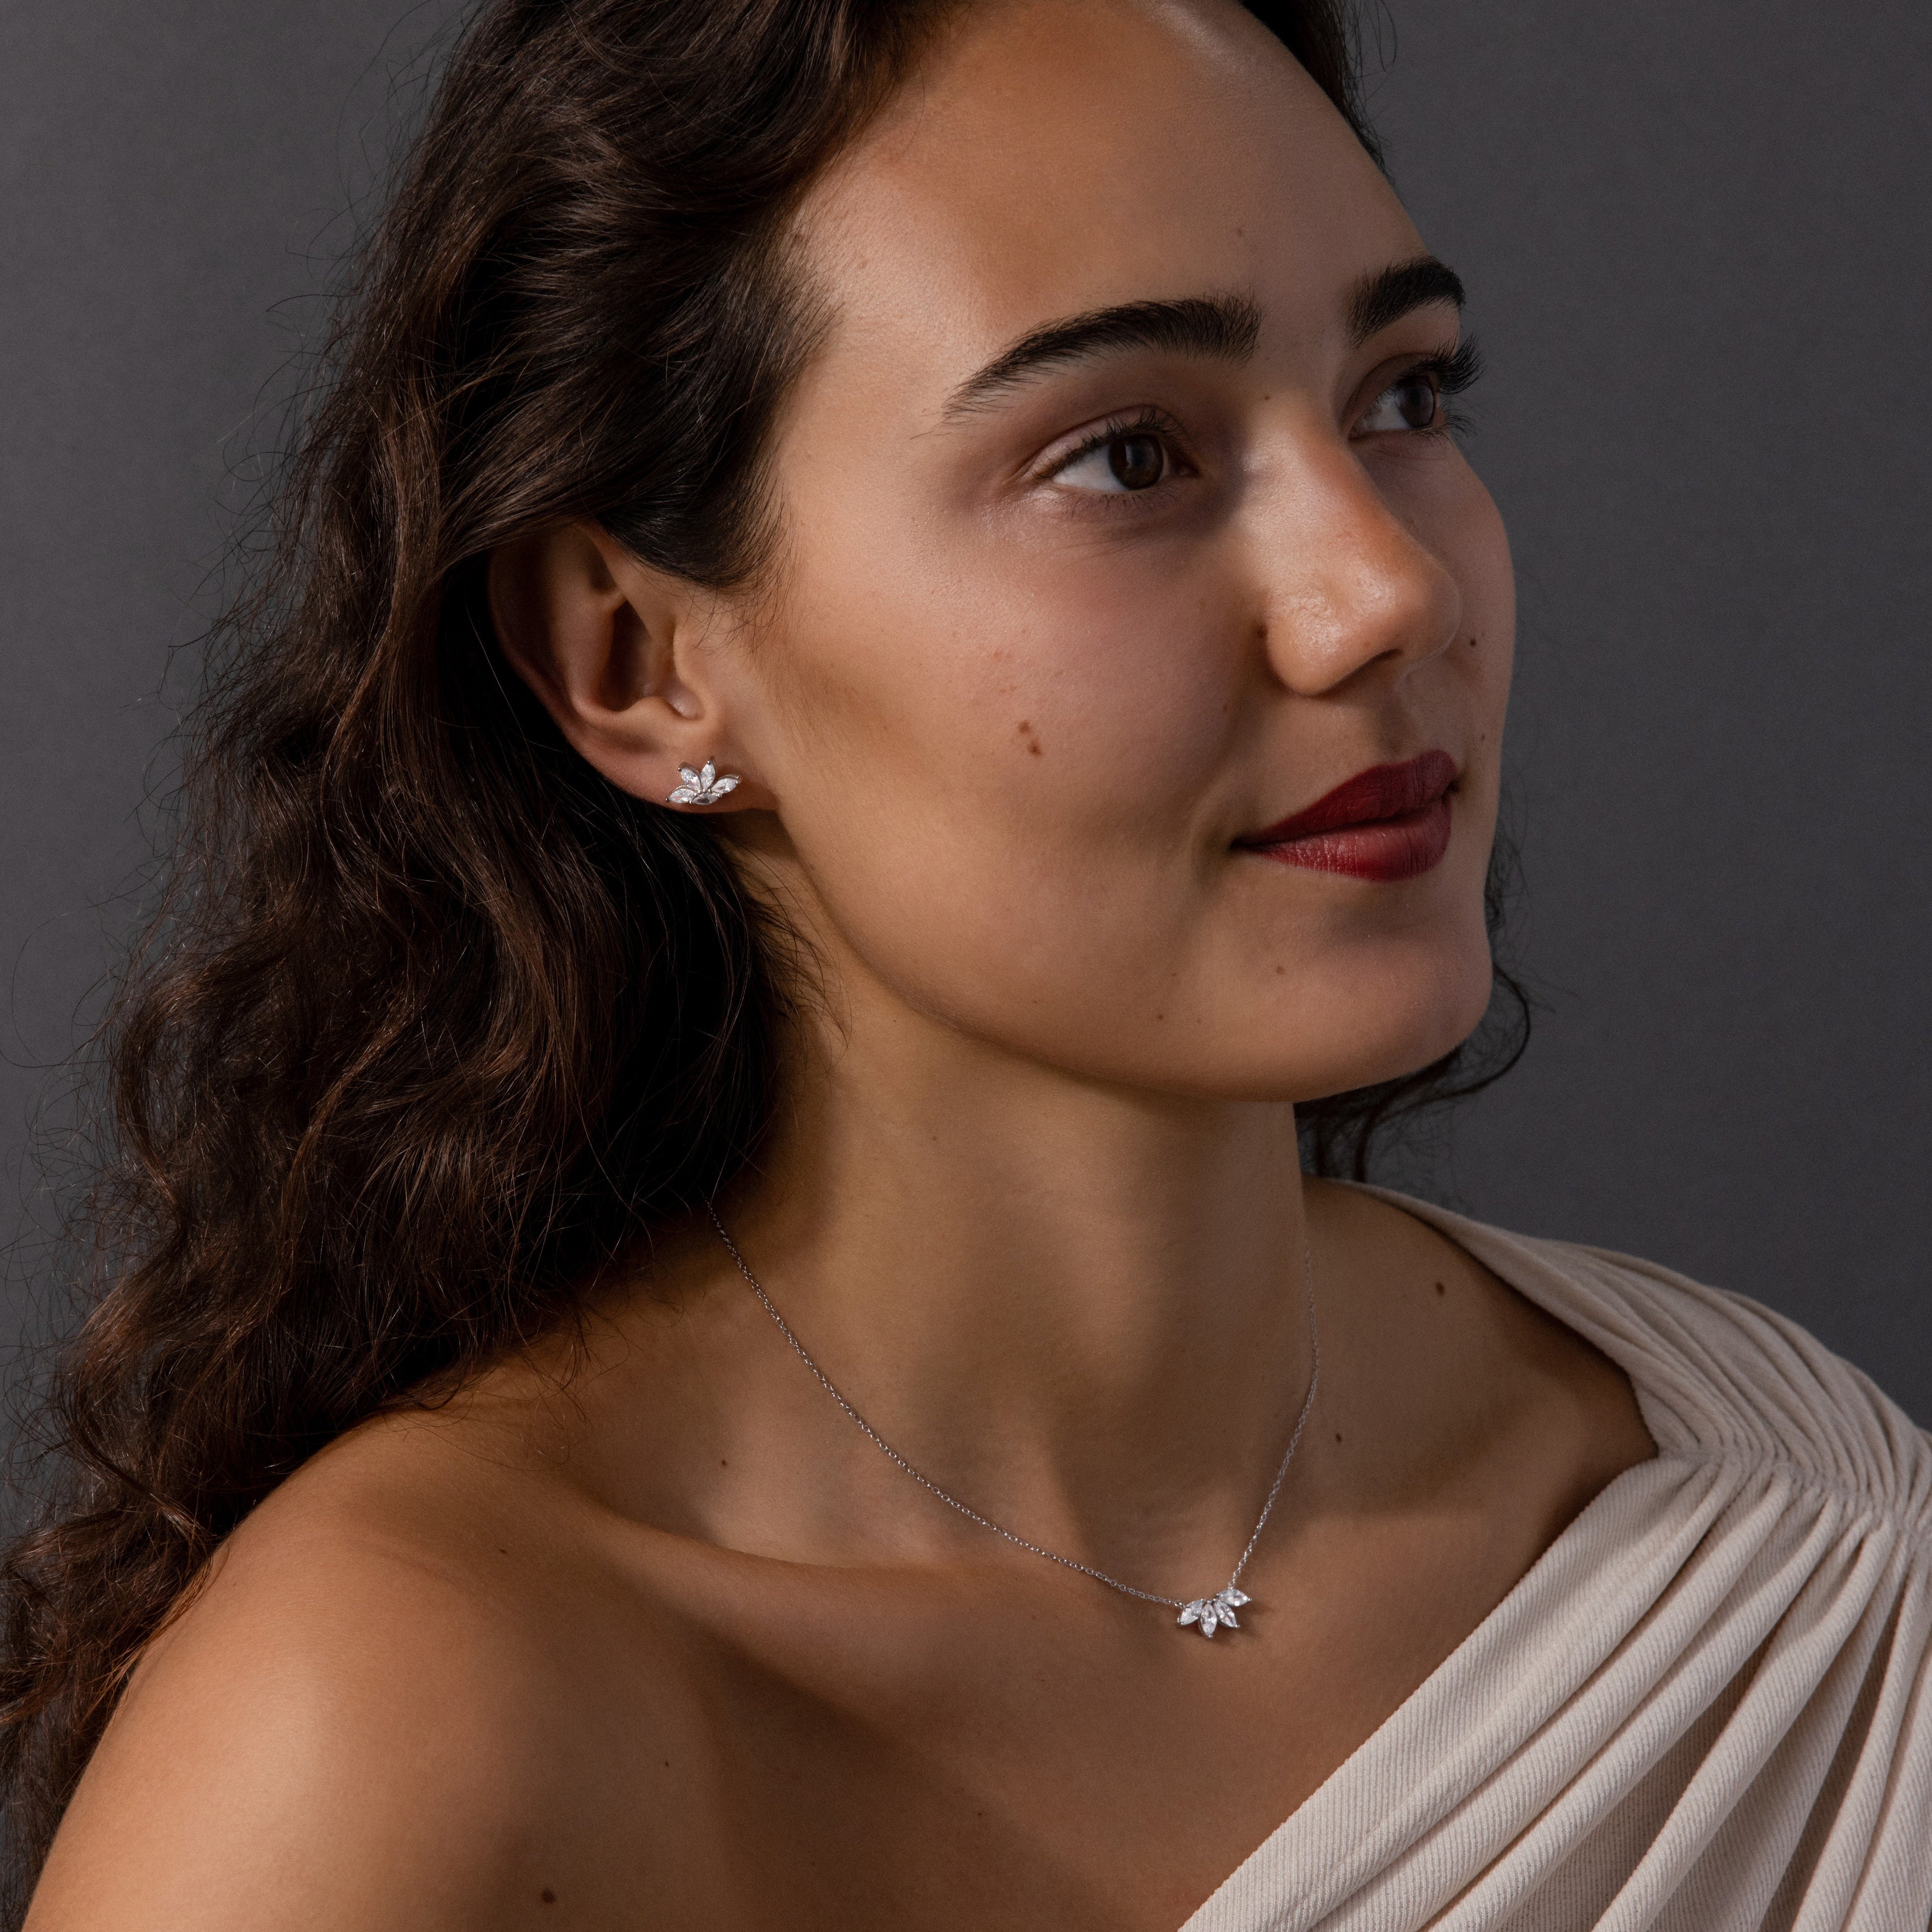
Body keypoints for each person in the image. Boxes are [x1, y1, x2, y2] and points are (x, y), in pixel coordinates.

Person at [6, 0, 1928, 1924]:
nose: (1388, 592)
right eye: (1121, 454)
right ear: (637, 657)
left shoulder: (1783, 1532)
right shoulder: (383, 1737)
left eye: (1401, 397)